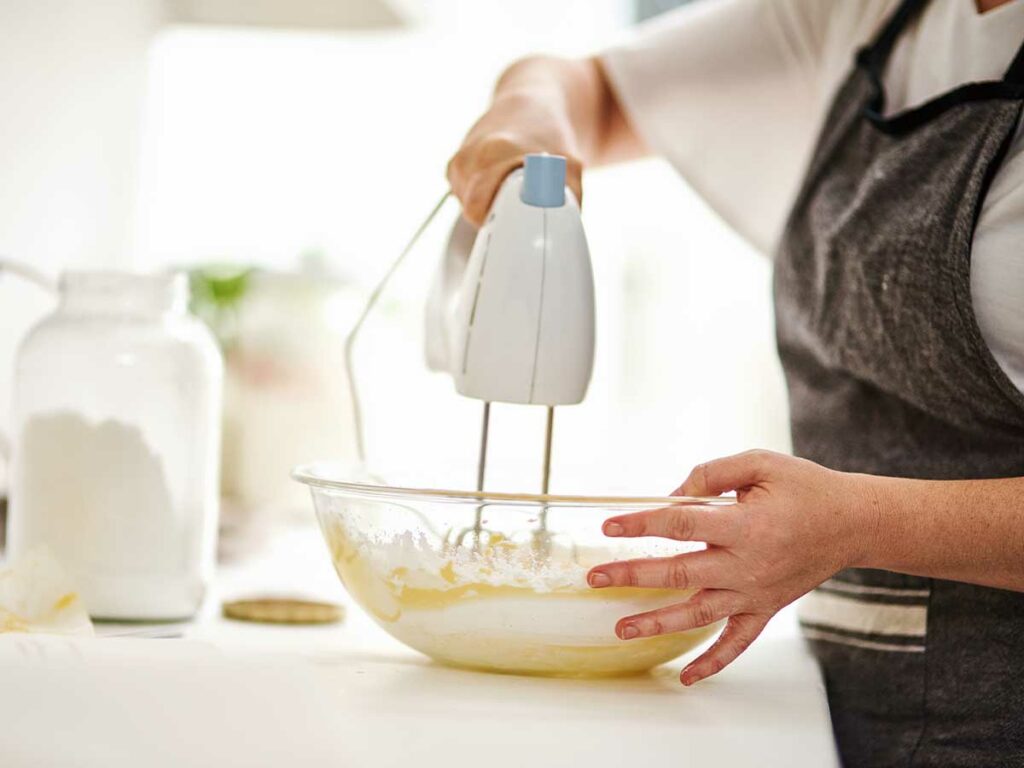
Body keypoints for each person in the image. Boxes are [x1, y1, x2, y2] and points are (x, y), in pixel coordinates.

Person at [447, 0, 1024, 765]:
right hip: (861, 702)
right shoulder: (867, 17)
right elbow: (590, 87)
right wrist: (527, 123)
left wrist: (856, 522)